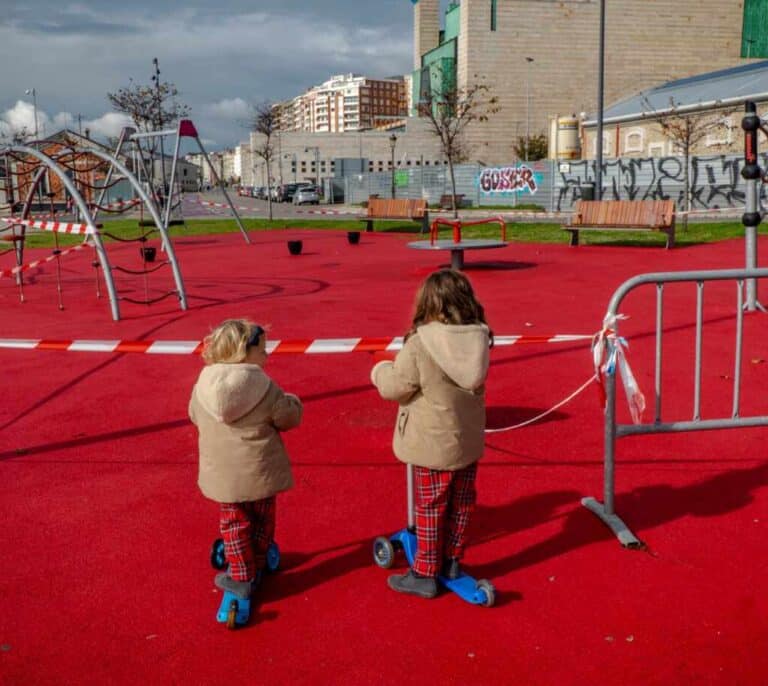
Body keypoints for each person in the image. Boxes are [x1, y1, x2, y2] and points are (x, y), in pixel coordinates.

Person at [371, 269, 492, 599]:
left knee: (430, 507)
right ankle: (452, 561)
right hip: (466, 439)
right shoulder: (480, 338)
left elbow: (397, 387)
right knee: (462, 503)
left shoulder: (420, 343)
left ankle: (424, 571)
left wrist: (379, 369)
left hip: (432, 440)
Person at [189, 319, 302, 600]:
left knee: (234, 522)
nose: (267, 355)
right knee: (263, 518)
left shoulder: (202, 385)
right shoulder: (264, 386)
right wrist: (293, 402)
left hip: (224, 474)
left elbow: (194, 415)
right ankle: (258, 561)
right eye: (262, 350)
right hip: (259, 469)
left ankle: (240, 571)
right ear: (244, 352)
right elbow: (287, 418)